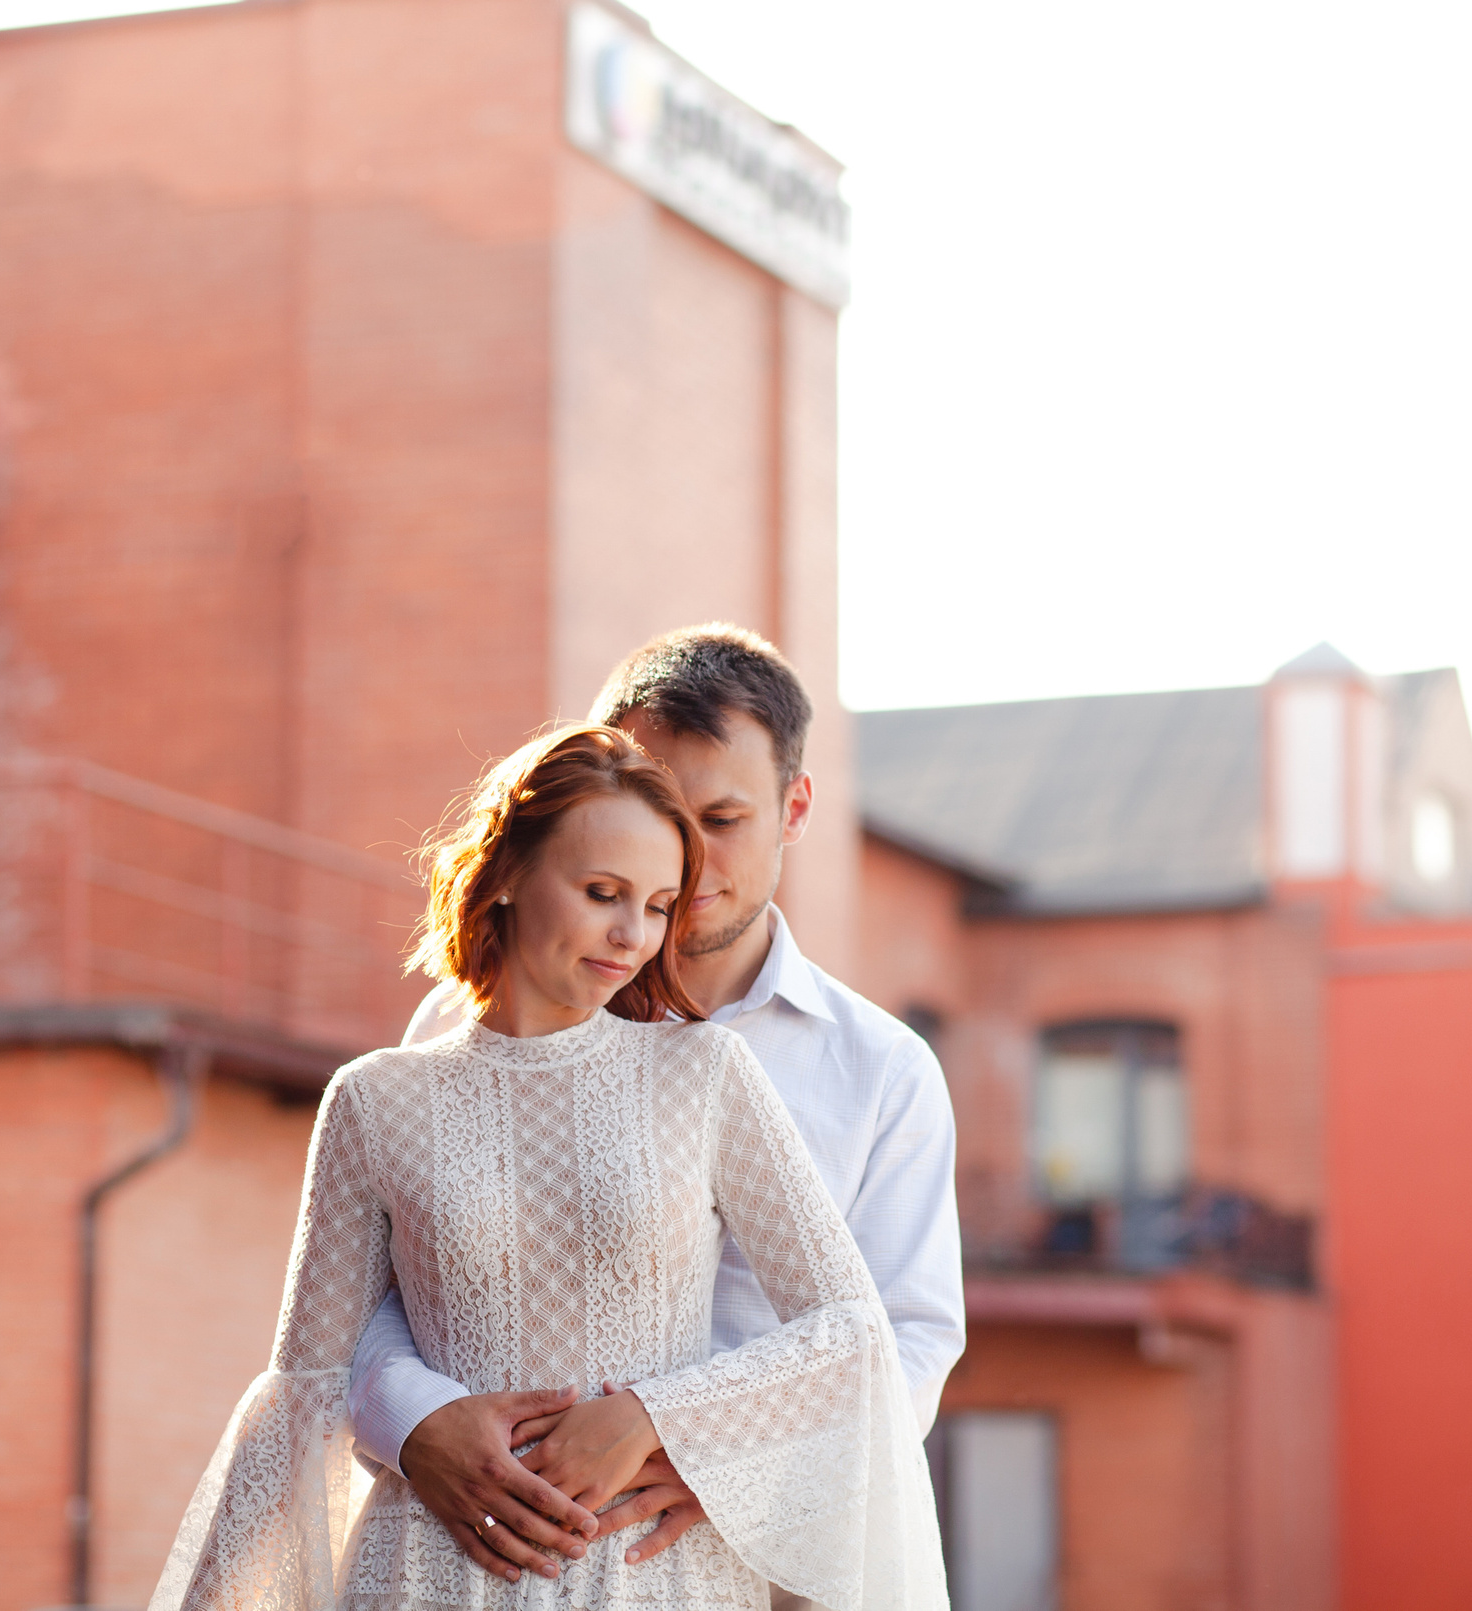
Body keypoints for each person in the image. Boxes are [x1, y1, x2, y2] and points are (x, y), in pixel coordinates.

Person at [148, 725, 947, 1611]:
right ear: (508, 875)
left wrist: (658, 1417)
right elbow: (306, 1391)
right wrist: (417, 1430)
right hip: (427, 1570)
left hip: (652, 1578)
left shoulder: (705, 1075)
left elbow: (850, 1331)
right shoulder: (374, 1099)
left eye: (657, 904)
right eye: (603, 892)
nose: (632, 934)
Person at [348, 626, 964, 1590]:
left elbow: (906, 1339)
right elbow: (385, 1277)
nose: (684, 852)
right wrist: (414, 1418)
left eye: (722, 817)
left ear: (795, 807)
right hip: (480, 1539)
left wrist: (704, 1451)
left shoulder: (879, 1068)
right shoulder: (453, 1025)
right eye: (658, 809)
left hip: (748, 1549)